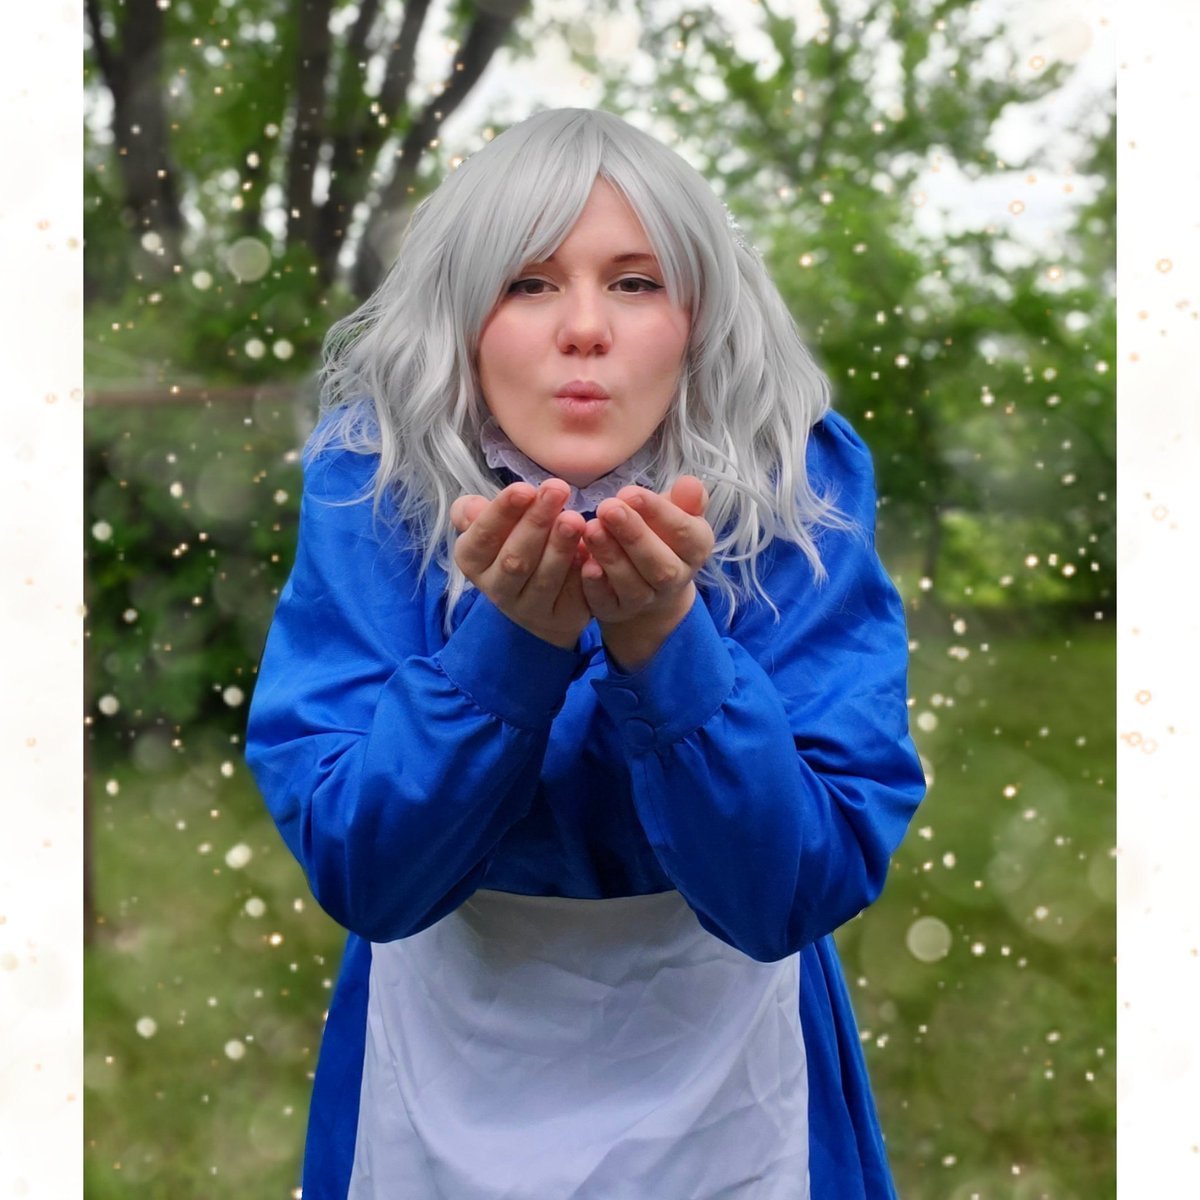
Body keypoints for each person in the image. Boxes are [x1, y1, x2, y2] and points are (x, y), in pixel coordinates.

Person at [246, 107, 925, 1199]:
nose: (584, 329)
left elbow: (795, 886)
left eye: (636, 282)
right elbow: (368, 869)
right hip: (440, 1050)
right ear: (461, 316)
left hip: (733, 1069)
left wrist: (667, 643)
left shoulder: (801, 488)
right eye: (527, 283)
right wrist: (511, 650)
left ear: (699, 314)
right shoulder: (370, 483)